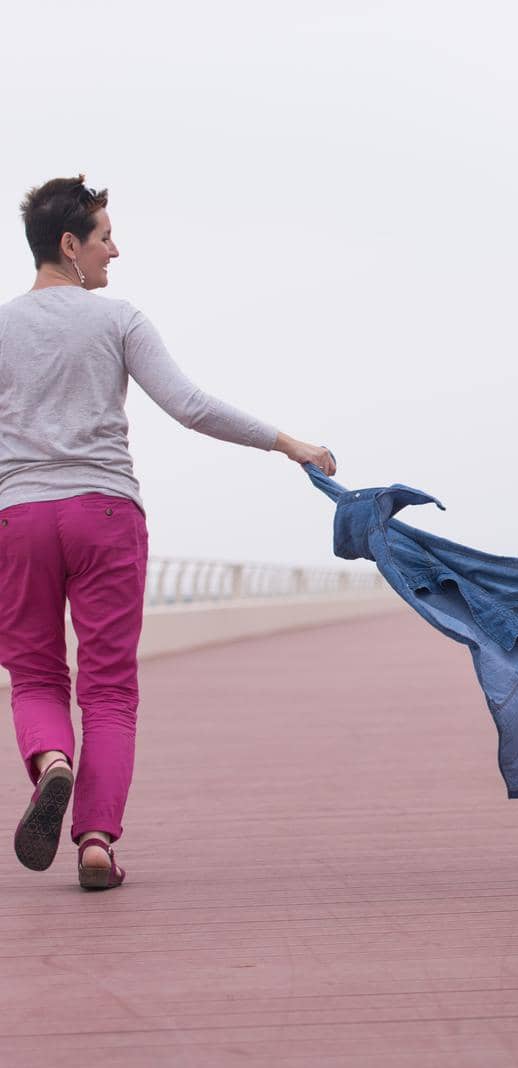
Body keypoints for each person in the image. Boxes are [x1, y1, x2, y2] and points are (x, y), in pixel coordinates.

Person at [2, 176, 334, 890]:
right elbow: (187, 405)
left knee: (33, 675)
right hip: (106, 516)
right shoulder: (118, 320)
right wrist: (289, 444)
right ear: (69, 245)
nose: (115, 252)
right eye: (105, 236)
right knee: (111, 689)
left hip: (21, 517)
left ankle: (51, 762)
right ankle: (94, 843)